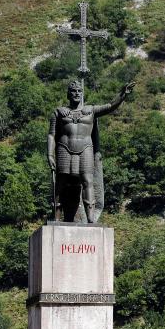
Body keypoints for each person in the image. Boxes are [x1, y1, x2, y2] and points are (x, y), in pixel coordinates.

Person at [48, 80, 134, 223]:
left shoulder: (91, 110)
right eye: (73, 91)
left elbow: (110, 106)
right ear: (68, 94)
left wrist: (123, 95)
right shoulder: (59, 112)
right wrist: (50, 154)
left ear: (82, 94)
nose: (76, 93)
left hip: (85, 148)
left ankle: (91, 219)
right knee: (61, 182)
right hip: (64, 148)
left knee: (87, 181)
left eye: (79, 91)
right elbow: (51, 135)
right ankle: (56, 218)